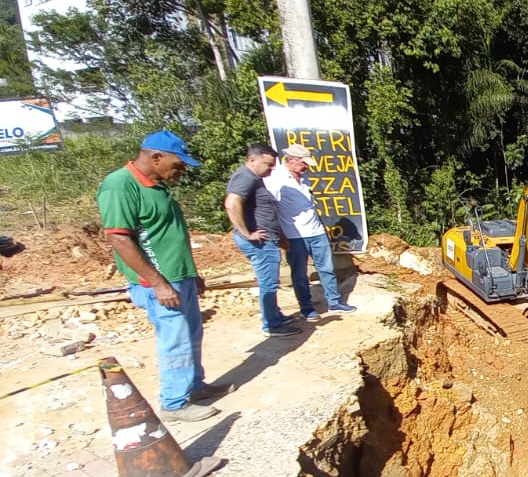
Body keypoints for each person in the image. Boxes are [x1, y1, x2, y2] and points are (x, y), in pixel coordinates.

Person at [97, 131, 232, 422]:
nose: (181, 170)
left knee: (191, 333)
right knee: (175, 339)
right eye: (178, 164)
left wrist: (191, 273)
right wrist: (158, 283)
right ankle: (174, 403)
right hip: (159, 282)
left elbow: (168, 235)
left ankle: (195, 387)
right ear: (155, 157)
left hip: (179, 276)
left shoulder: (157, 187)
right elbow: (120, 239)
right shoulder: (120, 186)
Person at [263, 143, 356, 320]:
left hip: (316, 232)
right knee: (299, 274)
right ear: (291, 160)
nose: (306, 167)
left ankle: (335, 302)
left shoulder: (303, 178)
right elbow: (272, 210)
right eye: (303, 163)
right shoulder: (275, 180)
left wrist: (322, 227)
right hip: (294, 235)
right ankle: (307, 308)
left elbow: (309, 207)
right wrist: (280, 236)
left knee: (327, 268)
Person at [225, 143, 300, 337]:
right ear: (252, 160)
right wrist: (246, 233)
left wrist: (280, 237)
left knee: (270, 281)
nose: (271, 168)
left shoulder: (254, 178)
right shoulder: (245, 177)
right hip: (260, 242)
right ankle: (272, 324)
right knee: (268, 282)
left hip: (267, 239)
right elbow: (232, 203)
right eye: (267, 164)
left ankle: (274, 315)